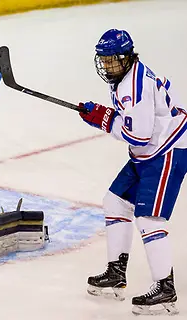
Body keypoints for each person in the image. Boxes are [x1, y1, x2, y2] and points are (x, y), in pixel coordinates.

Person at [79, 29, 185, 315]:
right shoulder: (125, 78)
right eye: (104, 60)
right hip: (149, 152)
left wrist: (104, 121)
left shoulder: (134, 88)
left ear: (126, 58)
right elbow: (132, 126)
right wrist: (105, 115)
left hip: (168, 151)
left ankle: (165, 290)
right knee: (114, 201)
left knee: (149, 219)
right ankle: (116, 273)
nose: (107, 65)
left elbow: (137, 135)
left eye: (113, 60)